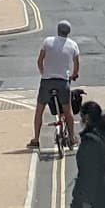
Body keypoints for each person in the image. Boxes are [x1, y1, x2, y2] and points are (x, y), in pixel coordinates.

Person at [30, 20, 79, 151]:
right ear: (69, 32)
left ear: (57, 30)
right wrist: (74, 75)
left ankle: (36, 139)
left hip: (47, 81)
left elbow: (40, 60)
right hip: (63, 82)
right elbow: (76, 65)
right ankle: (72, 138)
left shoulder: (47, 41)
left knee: (39, 110)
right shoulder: (73, 45)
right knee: (67, 112)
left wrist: (43, 72)